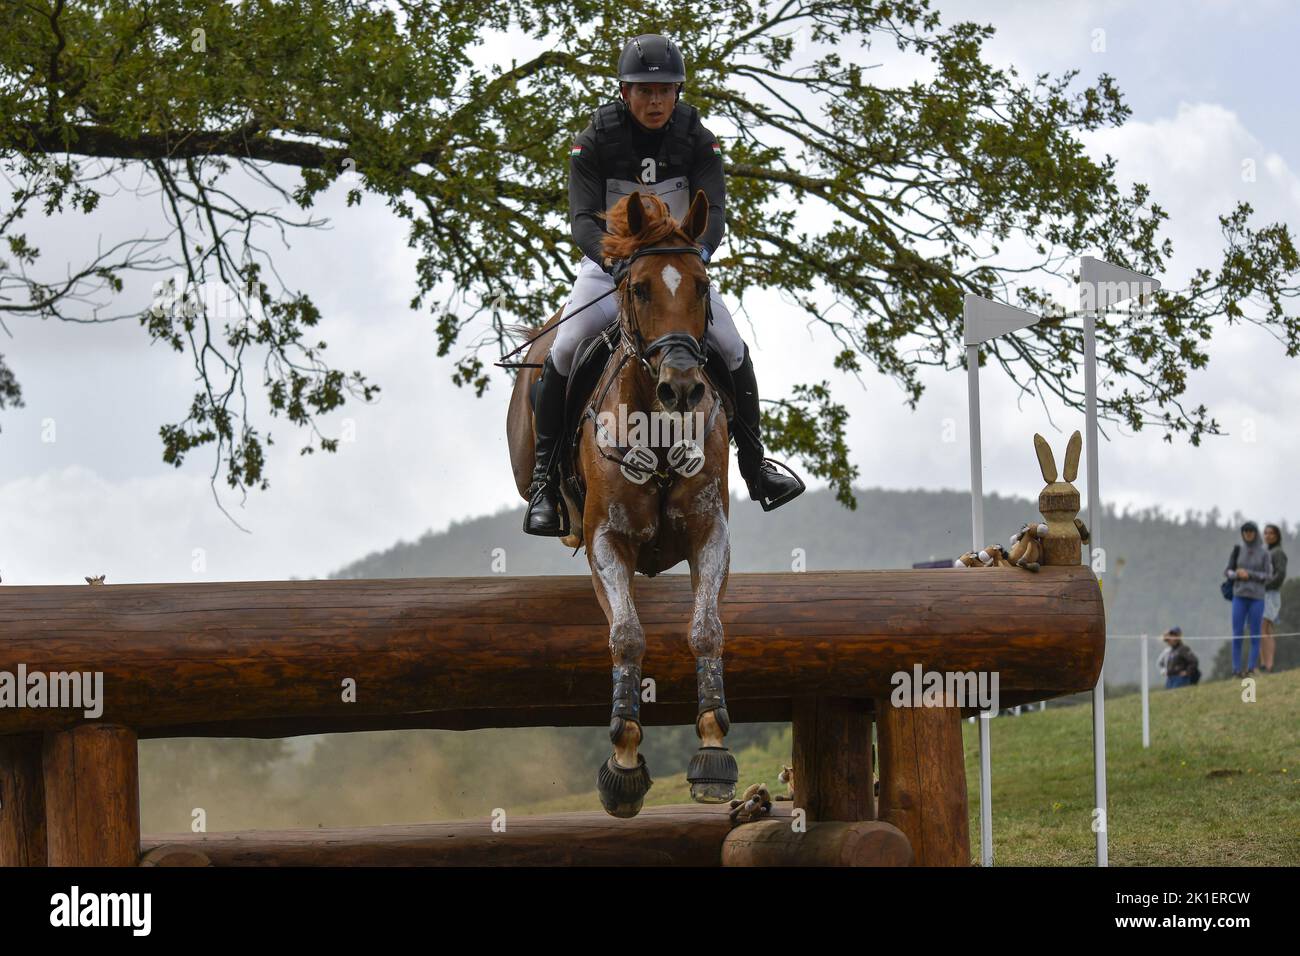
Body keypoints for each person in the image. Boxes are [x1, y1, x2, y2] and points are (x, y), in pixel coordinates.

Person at [523, 34, 805, 535]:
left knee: (731, 347)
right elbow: (582, 218)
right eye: (645, 90)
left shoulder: (698, 138)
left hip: (679, 264)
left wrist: (697, 255)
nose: (655, 101)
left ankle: (756, 468)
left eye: (665, 90)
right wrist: (615, 264)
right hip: (612, 266)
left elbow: (713, 210)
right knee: (565, 348)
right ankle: (545, 483)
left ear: (677, 92)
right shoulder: (594, 139)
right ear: (625, 92)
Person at [1225, 521, 1273, 677]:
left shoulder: (1264, 553)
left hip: (1257, 598)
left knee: (1255, 633)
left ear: (1255, 532)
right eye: (1245, 531)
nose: (1248, 533)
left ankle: (1251, 668)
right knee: (1237, 633)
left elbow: (1268, 575)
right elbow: (1227, 572)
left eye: (1251, 531)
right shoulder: (1237, 549)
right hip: (1239, 597)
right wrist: (1237, 574)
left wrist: (1249, 574)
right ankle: (1236, 669)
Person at [1261, 523, 1287, 673]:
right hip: (1264, 594)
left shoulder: (1278, 552)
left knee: (1262, 628)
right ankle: (1265, 664)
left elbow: (1280, 574)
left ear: (1277, 536)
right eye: (1265, 533)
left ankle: (1267, 664)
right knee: (1267, 629)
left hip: (1271, 594)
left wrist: (1265, 586)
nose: (1268, 536)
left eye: (1271, 533)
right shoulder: (1266, 552)